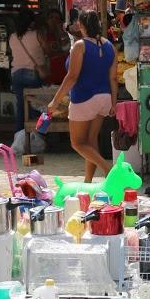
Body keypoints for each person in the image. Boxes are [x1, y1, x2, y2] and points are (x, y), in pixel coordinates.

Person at [49, 10, 117, 182]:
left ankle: (108, 169)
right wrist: (114, 103)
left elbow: (72, 76)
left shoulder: (80, 46)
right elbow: (113, 78)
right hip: (104, 98)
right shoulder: (109, 46)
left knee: (78, 143)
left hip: (84, 97)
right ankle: (88, 181)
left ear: (81, 25)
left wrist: (55, 101)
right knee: (91, 141)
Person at [8, 9, 47, 135]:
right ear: (31, 22)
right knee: (37, 106)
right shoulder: (37, 34)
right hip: (32, 73)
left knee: (21, 107)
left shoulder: (12, 37)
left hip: (16, 74)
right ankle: (38, 136)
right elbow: (47, 49)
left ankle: (20, 136)